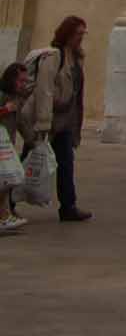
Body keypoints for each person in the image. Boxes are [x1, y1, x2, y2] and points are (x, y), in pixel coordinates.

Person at [28, 16, 91, 223]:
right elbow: (44, 90)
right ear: (68, 34)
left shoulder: (78, 57)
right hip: (49, 119)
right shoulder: (54, 56)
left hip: (65, 121)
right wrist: (43, 122)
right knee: (28, 160)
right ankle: (7, 201)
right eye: (78, 33)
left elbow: (77, 93)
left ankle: (68, 206)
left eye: (83, 33)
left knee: (66, 163)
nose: (81, 37)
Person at [0, 61, 29, 232]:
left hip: (6, 147)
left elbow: (21, 123)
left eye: (25, 81)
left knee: (5, 182)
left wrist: (34, 140)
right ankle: (4, 217)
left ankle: (5, 216)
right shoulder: (3, 95)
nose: (23, 84)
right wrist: (5, 109)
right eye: (21, 81)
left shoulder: (17, 97)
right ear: (11, 79)